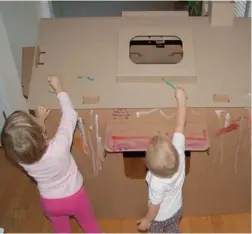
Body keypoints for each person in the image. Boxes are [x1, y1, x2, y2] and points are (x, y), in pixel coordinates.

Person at [1, 76, 100, 233]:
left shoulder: (22, 160)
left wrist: (39, 121)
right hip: (76, 197)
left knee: (60, 230)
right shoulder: (59, 146)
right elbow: (69, 116)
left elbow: (29, 142)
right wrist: (59, 88)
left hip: (50, 203)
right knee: (90, 225)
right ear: (42, 132)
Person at [137, 87, 187, 233]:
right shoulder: (178, 152)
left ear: (150, 169)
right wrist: (181, 100)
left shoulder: (156, 183)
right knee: (172, 227)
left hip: (159, 217)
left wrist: (147, 220)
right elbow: (180, 125)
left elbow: (155, 206)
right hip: (177, 210)